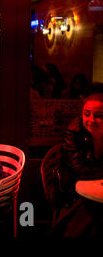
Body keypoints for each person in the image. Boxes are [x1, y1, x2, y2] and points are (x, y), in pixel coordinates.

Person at [50, 93, 103, 236]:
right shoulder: (74, 131)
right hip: (73, 190)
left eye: (99, 115)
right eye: (87, 114)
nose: (91, 120)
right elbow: (79, 170)